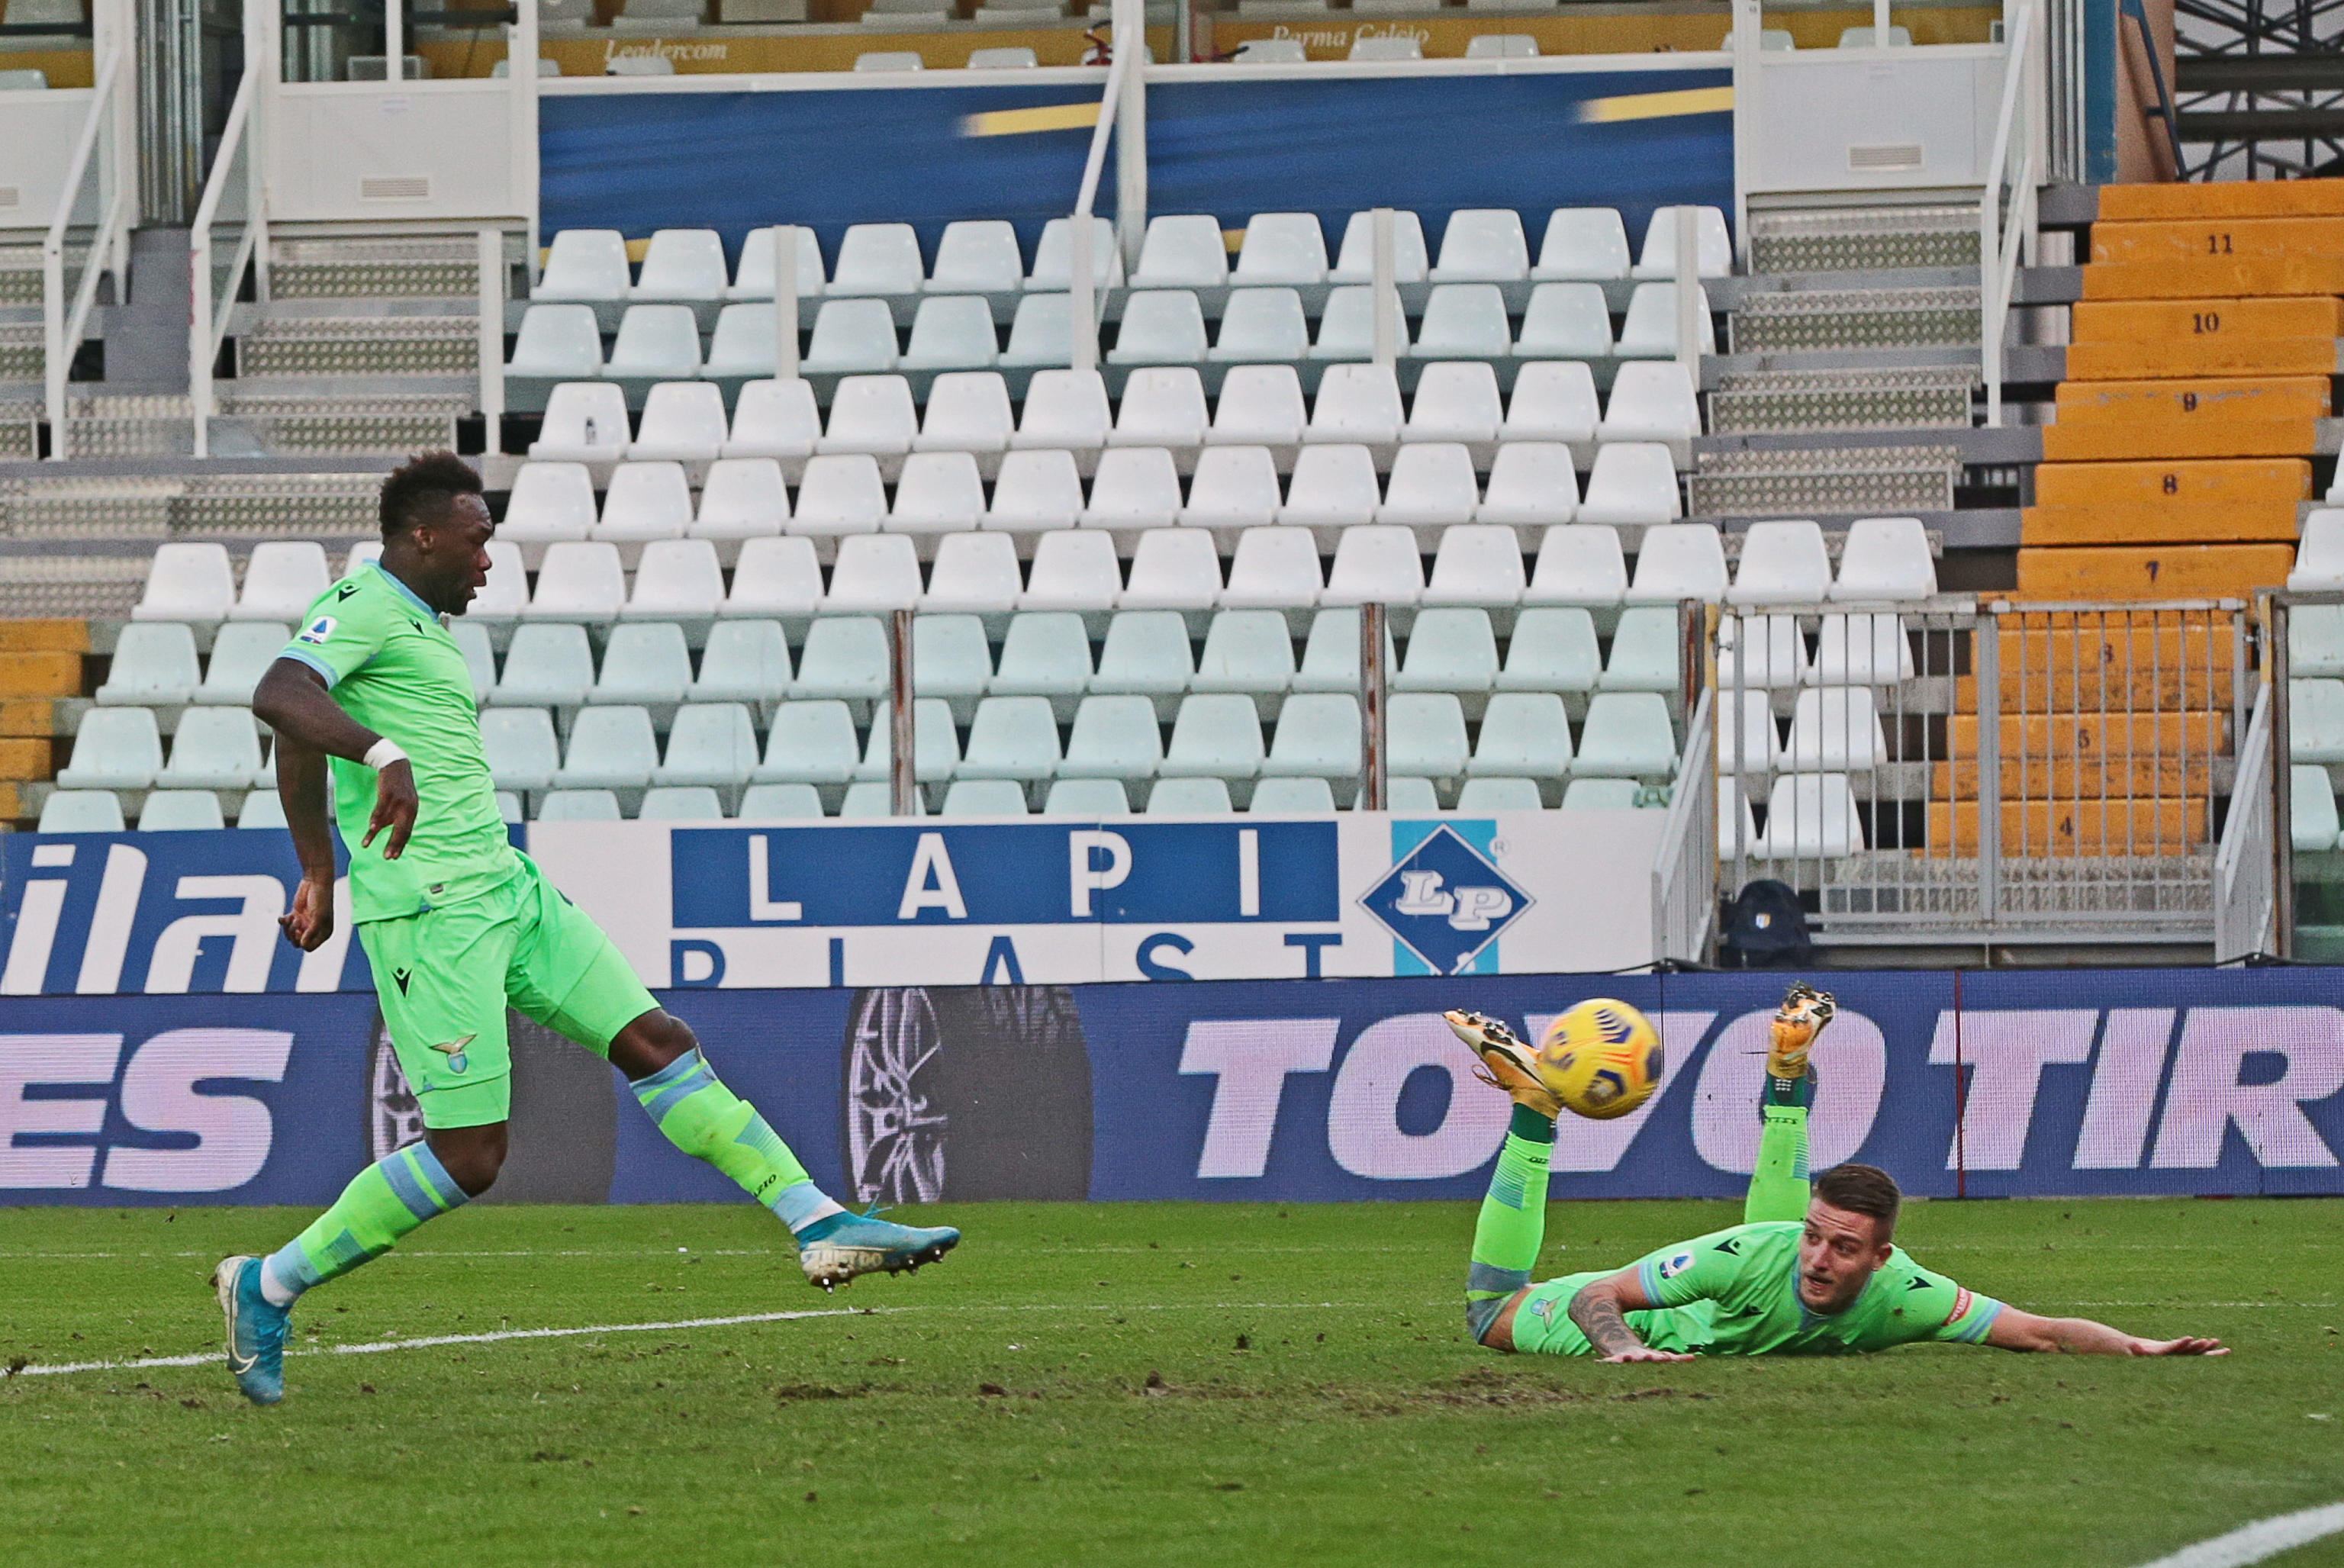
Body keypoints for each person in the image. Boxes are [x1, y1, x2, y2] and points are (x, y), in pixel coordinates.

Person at [212, 452, 959, 1408]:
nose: (489, 561)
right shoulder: (360, 604)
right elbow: (279, 698)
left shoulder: (418, 630)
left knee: (659, 1043)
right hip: (432, 915)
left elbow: (298, 734)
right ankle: (266, 1286)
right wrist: (376, 767)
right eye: (478, 541)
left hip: (505, 889)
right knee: (470, 1156)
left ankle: (817, 1222)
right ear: (424, 536)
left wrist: (317, 865)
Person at [1444, 986, 2226, 1362]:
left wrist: (2140, 1348)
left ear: (1882, 1258)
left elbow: (2042, 1333)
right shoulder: (1750, 1257)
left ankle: (1788, 1078)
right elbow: (1593, 1295)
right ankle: (1533, 1110)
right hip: (1650, 1329)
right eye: (1816, 1240)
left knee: (1771, 1237)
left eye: (1843, 1248)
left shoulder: (1909, 1297)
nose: (1818, 1259)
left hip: (1727, 1306)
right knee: (1490, 1312)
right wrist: (1620, 1347)